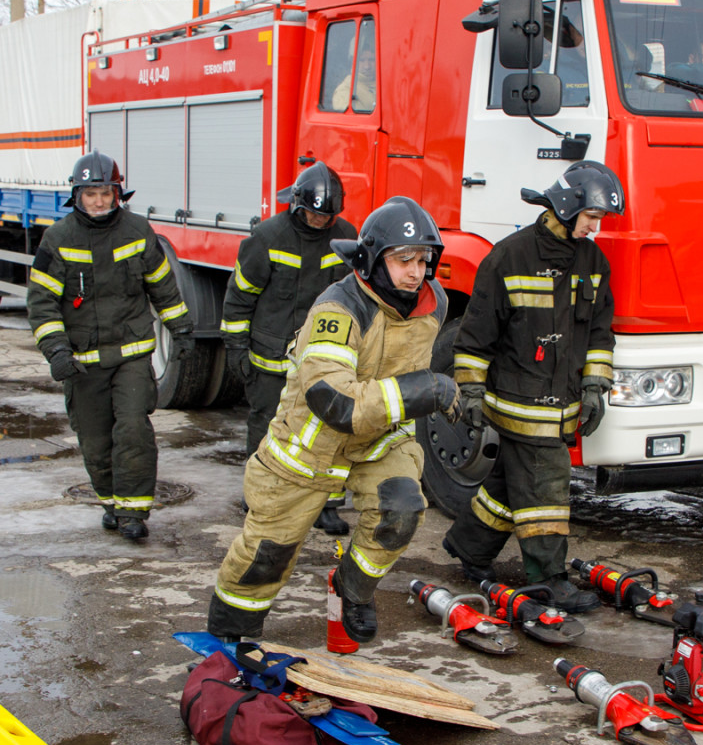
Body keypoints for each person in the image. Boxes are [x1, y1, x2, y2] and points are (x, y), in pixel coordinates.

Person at [206, 196, 458, 647]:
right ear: (372, 260)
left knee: (401, 510)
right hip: (309, 449)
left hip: (378, 440)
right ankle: (228, 642)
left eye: (424, 259)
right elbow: (335, 402)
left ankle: (353, 589)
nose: (417, 272)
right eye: (403, 260)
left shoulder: (432, 302)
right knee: (266, 558)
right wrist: (425, 391)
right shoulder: (337, 309)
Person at [441, 161, 622, 613]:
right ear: (566, 205)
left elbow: (600, 332)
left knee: (509, 487)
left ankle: (469, 547)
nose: (594, 228)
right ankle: (548, 580)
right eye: (591, 218)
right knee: (545, 487)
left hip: (562, 402)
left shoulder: (593, 263)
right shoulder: (509, 258)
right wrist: (472, 392)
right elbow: (475, 337)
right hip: (520, 403)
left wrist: (597, 386)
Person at [28, 153, 192, 543]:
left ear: (118, 193)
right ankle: (112, 504)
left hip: (132, 353)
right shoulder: (58, 240)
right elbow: (42, 303)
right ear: (76, 196)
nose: (99, 201)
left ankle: (134, 512)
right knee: (96, 439)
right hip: (83, 363)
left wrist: (182, 329)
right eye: (90, 194)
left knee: (134, 430)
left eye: (105, 193)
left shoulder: (137, 231)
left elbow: (163, 286)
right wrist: (57, 352)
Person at [221, 161, 359, 536]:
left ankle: (326, 504)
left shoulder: (346, 236)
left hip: (324, 357)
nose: (319, 221)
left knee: (331, 430)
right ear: (297, 205)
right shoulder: (266, 238)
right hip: (270, 358)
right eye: (313, 215)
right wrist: (235, 349)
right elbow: (239, 298)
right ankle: (260, 497)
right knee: (267, 427)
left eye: (326, 216)